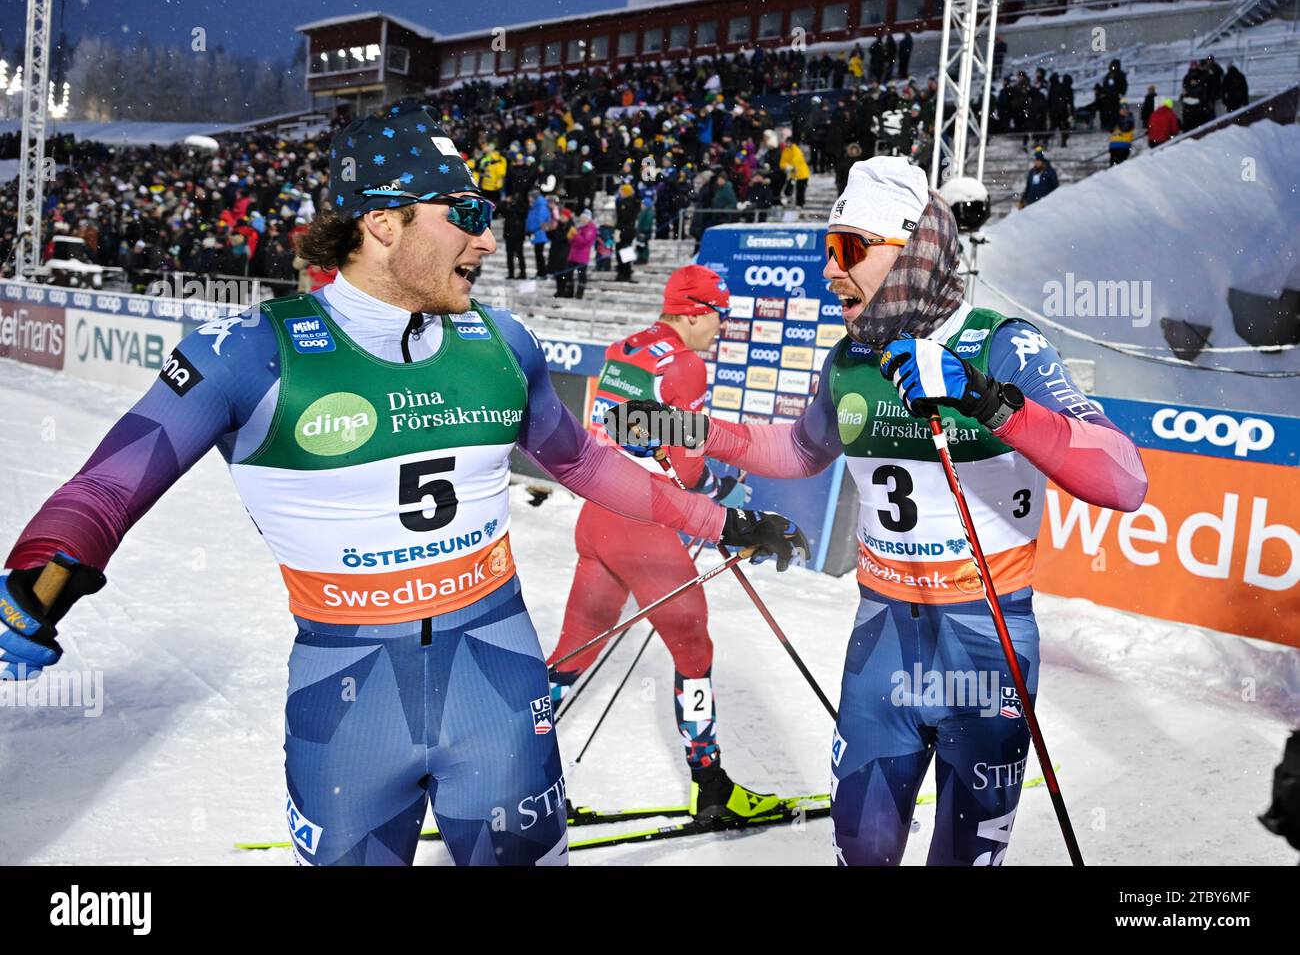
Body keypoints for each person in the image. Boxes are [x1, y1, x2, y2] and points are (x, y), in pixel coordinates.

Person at [0, 106, 803, 868]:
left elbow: (586, 464)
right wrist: (37, 582)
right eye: (465, 214)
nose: (488, 241)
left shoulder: (500, 342)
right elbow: (106, 487)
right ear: (382, 222)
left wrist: (720, 523)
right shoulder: (252, 351)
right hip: (348, 702)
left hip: (497, 680)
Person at [606, 156, 1148, 865]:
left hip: (985, 644)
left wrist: (986, 400)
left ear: (912, 252)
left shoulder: (1002, 345)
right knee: (860, 847)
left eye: (848, 250)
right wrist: (682, 428)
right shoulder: (852, 362)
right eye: (827, 251)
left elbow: (1124, 478)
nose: (831, 272)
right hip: (881, 637)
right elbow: (797, 452)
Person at [549, 265, 805, 820]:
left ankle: (520, 779)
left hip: (599, 516)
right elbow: (683, 466)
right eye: (720, 316)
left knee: (572, 653)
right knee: (695, 652)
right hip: (643, 529)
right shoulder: (685, 366)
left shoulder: (627, 347)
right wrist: (720, 497)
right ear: (694, 311)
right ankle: (712, 790)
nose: (722, 328)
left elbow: (633, 433)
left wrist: (710, 482)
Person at [525, 188, 551, 279]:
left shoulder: (541, 207)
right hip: (536, 233)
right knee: (538, 254)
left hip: (539, 234)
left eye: (530, 197)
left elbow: (541, 222)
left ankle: (542, 273)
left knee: (539, 254)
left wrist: (532, 230)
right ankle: (540, 272)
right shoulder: (536, 206)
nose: (529, 198)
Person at [1108, 101, 1135, 166]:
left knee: (1121, 165)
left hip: (1124, 146)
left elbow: (1126, 128)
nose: (1124, 111)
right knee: (1113, 165)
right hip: (1114, 145)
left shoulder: (1129, 119)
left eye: (1126, 110)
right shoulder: (1116, 118)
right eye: (1122, 109)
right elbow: (1110, 129)